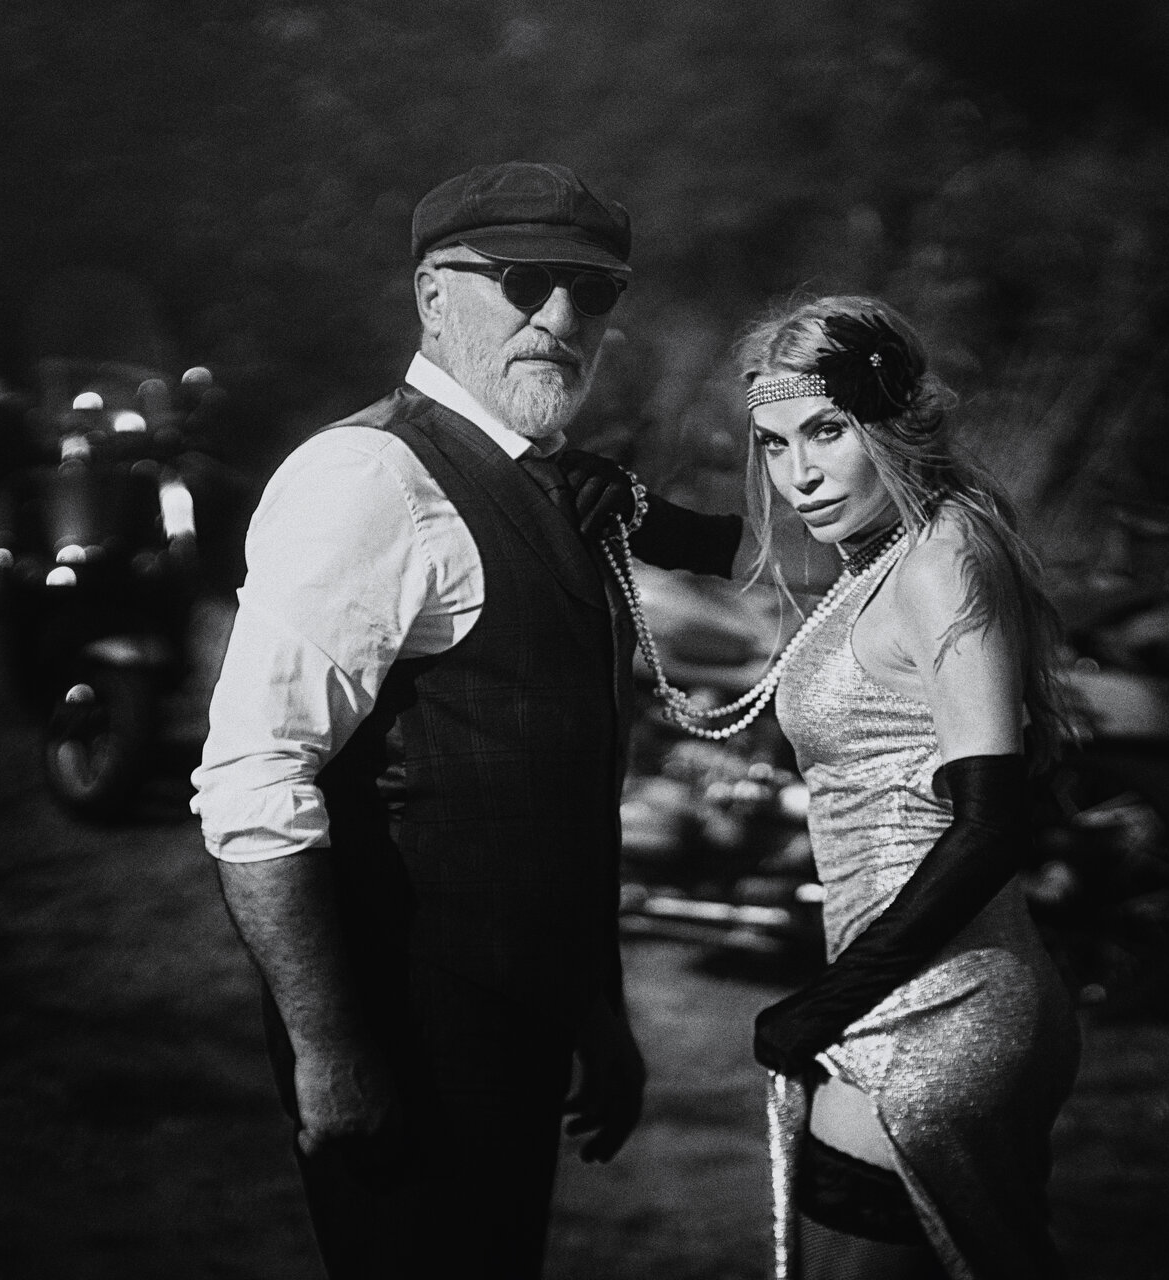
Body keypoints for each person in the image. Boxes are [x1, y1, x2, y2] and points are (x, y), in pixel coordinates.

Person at [189, 161, 741, 1279]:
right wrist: (330, 1053)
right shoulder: (367, 478)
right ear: (434, 296)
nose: (562, 319)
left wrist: (595, 1009)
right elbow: (253, 781)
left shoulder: (556, 482)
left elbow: (556, 793)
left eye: (594, 292)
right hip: (406, 1038)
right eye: (524, 282)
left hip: (518, 1034)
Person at [733, 296, 1081, 1279]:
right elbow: (770, 566)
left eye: (825, 430)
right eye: (773, 443)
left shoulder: (940, 557)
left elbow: (992, 825)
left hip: (933, 1016)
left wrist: (826, 1002)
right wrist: (641, 517)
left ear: (889, 421)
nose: (797, 474)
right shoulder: (892, 552)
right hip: (928, 997)